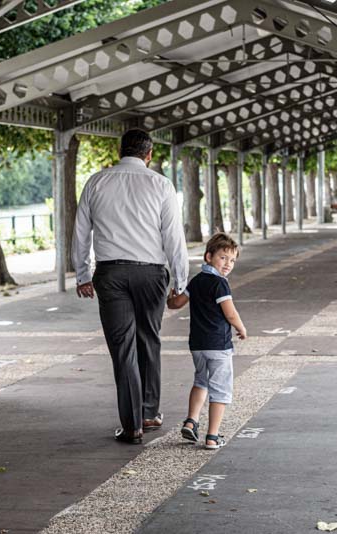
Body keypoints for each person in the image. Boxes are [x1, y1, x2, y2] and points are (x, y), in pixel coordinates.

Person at [73, 129, 189, 445]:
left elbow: (81, 232)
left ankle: (132, 425)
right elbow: (173, 237)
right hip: (151, 274)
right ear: (149, 154)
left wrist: (82, 274)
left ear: (119, 151)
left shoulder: (96, 182)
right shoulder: (161, 184)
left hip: (110, 274)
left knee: (123, 348)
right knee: (149, 339)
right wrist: (181, 283)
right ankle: (150, 412)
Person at [166, 233, 247, 450]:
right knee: (220, 390)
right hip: (218, 346)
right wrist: (241, 328)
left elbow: (176, 304)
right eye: (223, 258)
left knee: (201, 381)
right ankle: (212, 436)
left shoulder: (197, 281)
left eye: (232, 260)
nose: (228, 264)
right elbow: (230, 313)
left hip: (198, 345)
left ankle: (191, 421)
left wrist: (170, 299)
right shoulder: (220, 284)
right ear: (209, 257)